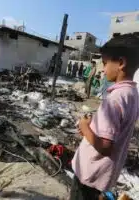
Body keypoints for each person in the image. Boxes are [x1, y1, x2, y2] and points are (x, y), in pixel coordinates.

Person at [70, 34, 139, 200]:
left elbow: (106, 147)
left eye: (105, 63)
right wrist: (93, 127)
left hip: (89, 174)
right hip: (104, 174)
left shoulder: (114, 100)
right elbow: (116, 129)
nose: (103, 68)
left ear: (121, 63)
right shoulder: (132, 94)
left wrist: (85, 128)